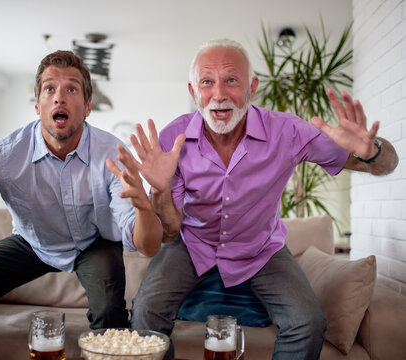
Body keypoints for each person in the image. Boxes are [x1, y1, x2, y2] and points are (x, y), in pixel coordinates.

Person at [126, 39, 399, 359]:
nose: (219, 94)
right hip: (191, 242)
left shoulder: (287, 131)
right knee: (144, 316)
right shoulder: (173, 138)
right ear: (193, 91)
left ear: (252, 87)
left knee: (308, 323)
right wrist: (159, 191)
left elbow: (386, 164)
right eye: (207, 82)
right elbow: (170, 231)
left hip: (261, 246)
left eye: (231, 80)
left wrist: (372, 152)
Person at [0, 50, 162, 360]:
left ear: (86, 107)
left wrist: (145, 207)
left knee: (111, 314)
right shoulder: (5, 156)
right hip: (33, 241)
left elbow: (147, 246)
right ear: (38, 106)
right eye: (49, 89)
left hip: (94, 242)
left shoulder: (113, 154)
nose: (59, 98)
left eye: (71, 89)